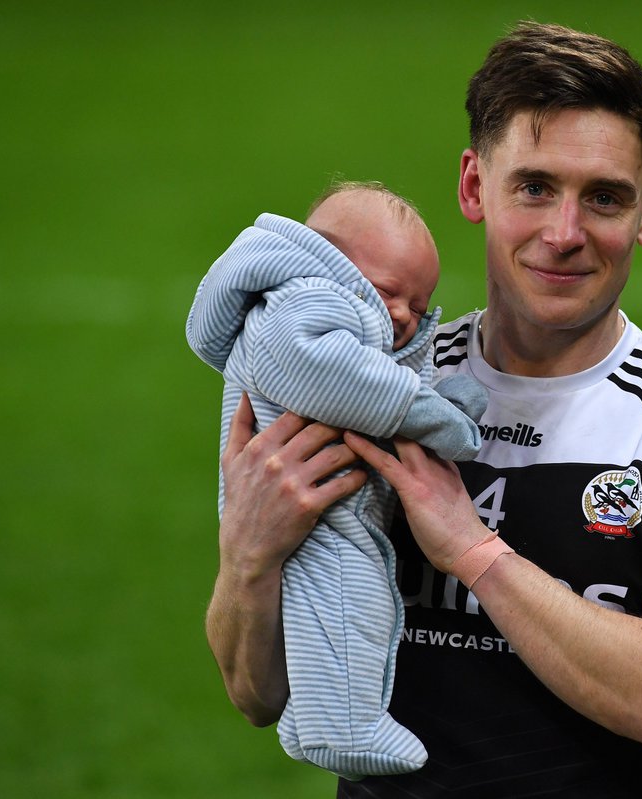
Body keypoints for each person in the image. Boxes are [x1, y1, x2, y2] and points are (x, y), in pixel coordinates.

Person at [206, 22, 642, 798]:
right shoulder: (369, 386)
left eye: (604, 198)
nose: (564, 233)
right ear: (472, 186)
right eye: (534, 187)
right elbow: (259, 695)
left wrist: (475, 552)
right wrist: (249, 558)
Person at [187, 182, 486, 780]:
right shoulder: (301, 305)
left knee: (344, 607)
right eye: (386, 294)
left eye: (421, 307)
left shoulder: (353, 324)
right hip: (317, 510)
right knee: (351, 599)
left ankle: (321, 719)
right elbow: (348, 380)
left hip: (328, 499)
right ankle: (343, 726)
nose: (403, 317)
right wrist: (439, 419)